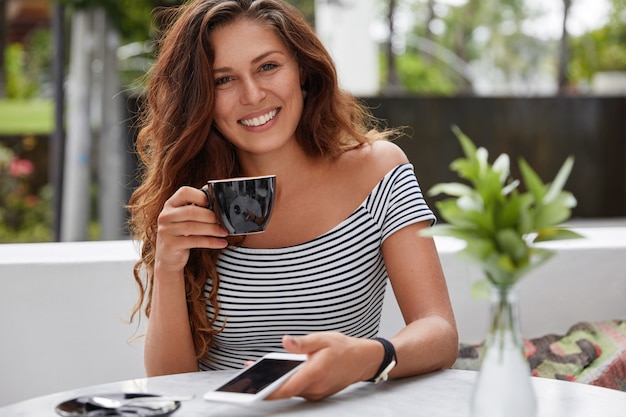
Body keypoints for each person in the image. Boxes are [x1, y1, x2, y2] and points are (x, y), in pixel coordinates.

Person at [128, 0, 458, 402]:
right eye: (223, 80)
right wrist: (167, 264)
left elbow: (439, 331)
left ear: (302, 70)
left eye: (268, 67)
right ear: (201, 98)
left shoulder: (379, 172)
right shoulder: (192, 198)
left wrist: (369, 358)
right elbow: (169, 383)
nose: (252, 95)